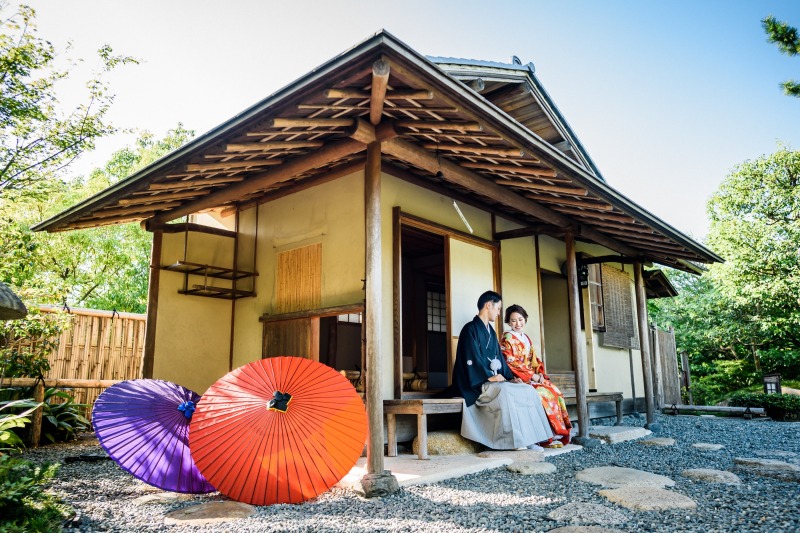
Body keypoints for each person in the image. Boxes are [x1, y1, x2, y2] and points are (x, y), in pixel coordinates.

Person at [450, 291, 553, 450]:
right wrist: (488, 377)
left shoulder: (490, 331)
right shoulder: (469, 329)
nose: (499, 313)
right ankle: (515, 441)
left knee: (526, 390)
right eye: (498, 309)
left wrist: (511, 378)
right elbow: (470, 359)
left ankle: (530, 438)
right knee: (506, 393)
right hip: (475, 383)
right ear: (488, 305)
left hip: (493, 381)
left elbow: (500, 360)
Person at [500, 304, 572, 447]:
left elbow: (534, 360)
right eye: (513, 320)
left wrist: (540, 374)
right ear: (508, 322)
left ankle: (557, 431)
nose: (517, 323)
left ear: (525, 319)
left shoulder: (525, 338)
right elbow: (510, 361)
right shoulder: (507, 338)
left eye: (520, 319)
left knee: (554, 391)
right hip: (517, 378)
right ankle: (545, 436)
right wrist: (532, 376)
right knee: (543, 394)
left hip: (531, 376)